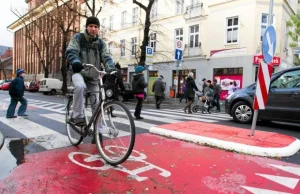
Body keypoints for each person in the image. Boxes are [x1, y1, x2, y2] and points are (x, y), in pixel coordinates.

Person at [66, 16, 115, 126]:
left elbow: (106, 57)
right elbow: (72, 50)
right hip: (79, 72)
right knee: (80, 87)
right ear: (87, 27)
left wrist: (111, 68)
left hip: (93, 76)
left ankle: (99, 132)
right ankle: (77, 116)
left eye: (96, 27)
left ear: (98, 29)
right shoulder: (78, 38)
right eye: (91, 26)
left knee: (97, 103)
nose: (93, 29)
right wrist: (75, 61)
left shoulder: (101, 43)